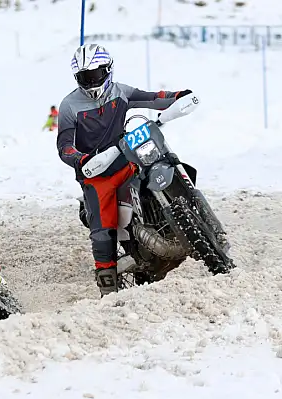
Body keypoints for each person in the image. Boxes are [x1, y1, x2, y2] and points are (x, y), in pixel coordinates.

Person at [56, 44, 192, 298]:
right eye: (84, 77)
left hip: (127, 161)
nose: (91, 82)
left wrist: (178, 96)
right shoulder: (69, 106)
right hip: (96, 175)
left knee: (155, 163)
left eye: (95, 75)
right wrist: (81, 159)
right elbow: (64, 147)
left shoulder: (122, 92)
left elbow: (153, 97)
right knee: (102, 227)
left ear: (108, 70)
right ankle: (108, 287)